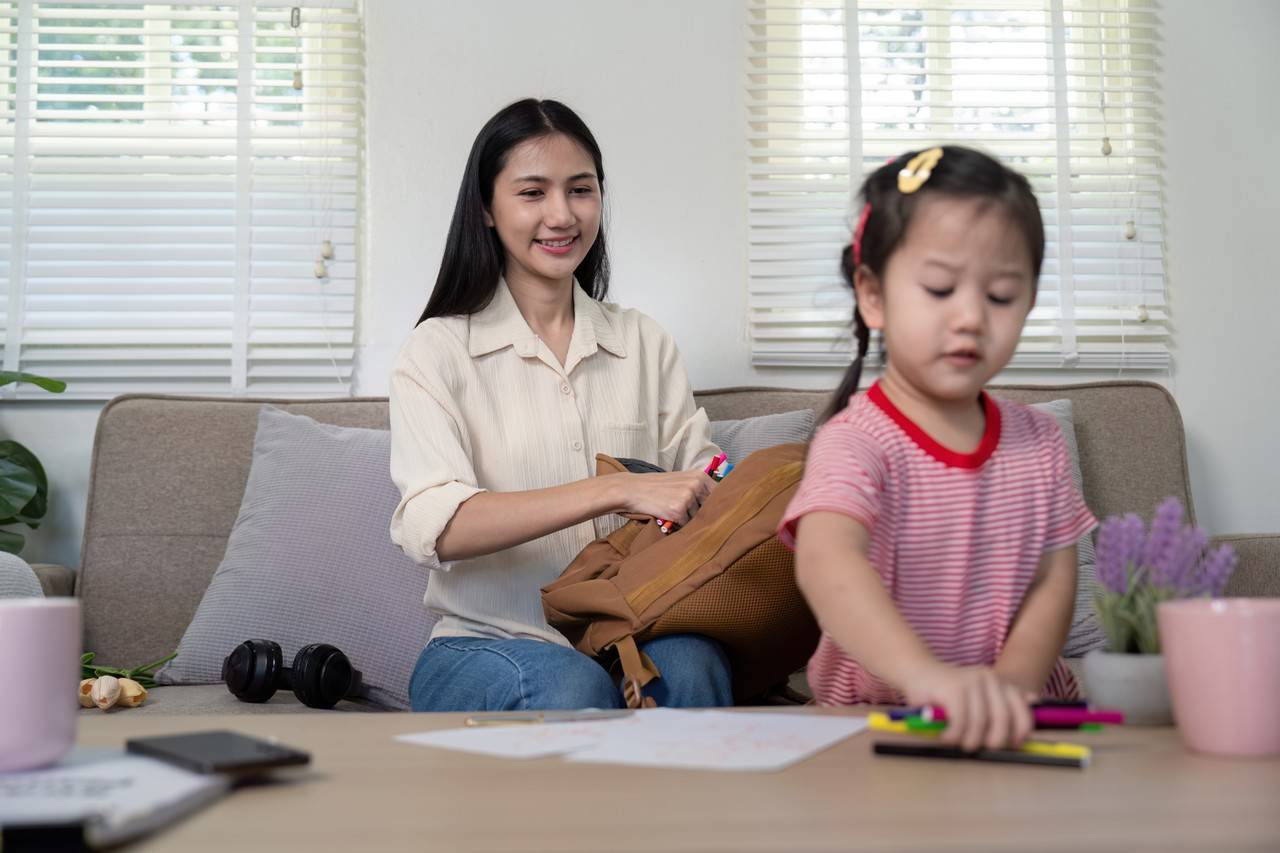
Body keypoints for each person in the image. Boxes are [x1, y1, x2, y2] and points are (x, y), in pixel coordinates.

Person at [389, 98, 733, 712]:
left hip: (630, 629)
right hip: (483, 644)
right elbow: (438, 528)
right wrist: (616, 490)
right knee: (571, 685)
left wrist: (724, 488)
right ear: (487, 210)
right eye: (532, 193)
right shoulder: (437, 350)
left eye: (580, 190)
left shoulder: (643, 341)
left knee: (694, 663)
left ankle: (689, 810)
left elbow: (702, 481)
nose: (561, 214)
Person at [780, 146, 1096, 751]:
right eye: (940, 288)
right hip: (876, 725)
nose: (972, 317)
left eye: (1002, 295)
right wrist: (928, 679)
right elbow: (827, 562)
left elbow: (1053, 581)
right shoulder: (857, 441)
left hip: (1015, 721)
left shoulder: (1040, 442)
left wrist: (1010, 685)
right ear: (872, 295)